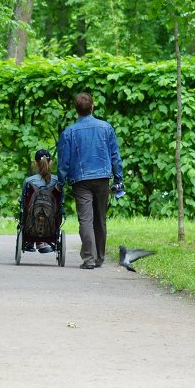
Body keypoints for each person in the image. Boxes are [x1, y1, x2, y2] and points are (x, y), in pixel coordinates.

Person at [56, 91, 123, 269]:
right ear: (92, 107)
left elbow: (64, 161)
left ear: (76, 110)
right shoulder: (106, 127)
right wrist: (119, 178)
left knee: (85, 219)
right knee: (100, 219)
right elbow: (115, 156)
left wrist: (60, 183)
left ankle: (89, 259)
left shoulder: (69, 132)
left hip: (80, 181)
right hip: (102, 178)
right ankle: (99, 257)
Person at [20, 148, 63, 253]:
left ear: (35, 162)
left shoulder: (29, 181)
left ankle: (31, 241)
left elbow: (24, 204)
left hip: (31, 223)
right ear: (51, 162)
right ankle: (43, 243)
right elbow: (61, 202)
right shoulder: (57, 181)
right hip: (51, 224)